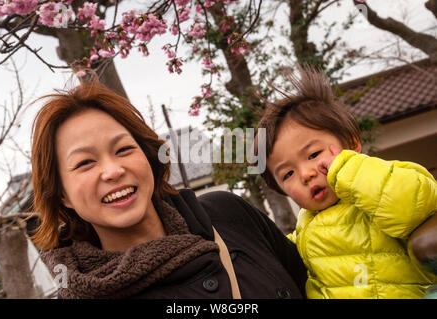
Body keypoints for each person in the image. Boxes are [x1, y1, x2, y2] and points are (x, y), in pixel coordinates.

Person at [29, 80, 307, 299]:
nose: (113, 171)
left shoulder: (228, 214)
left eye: (124, 149)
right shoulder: (81, 289)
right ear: (62, 194)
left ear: (148, 156)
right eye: (85, 163)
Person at [255, 65, 437, 299]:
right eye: (288, 174)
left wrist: (348, 168)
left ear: (351, 143)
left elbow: (414, 205)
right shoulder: (303, 232)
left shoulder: (376, 183)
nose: (306, 174)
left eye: (313, 155)